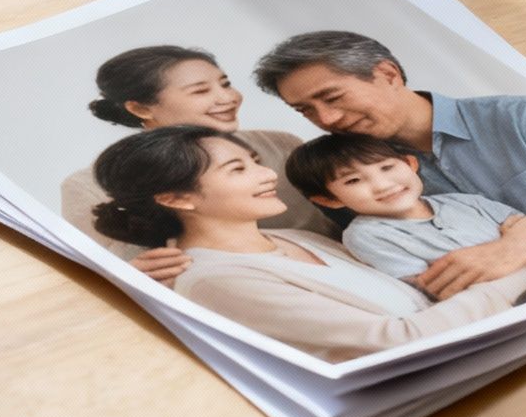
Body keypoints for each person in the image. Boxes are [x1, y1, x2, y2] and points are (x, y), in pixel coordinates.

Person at [252, 31, 526, 301]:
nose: (326, 121)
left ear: (387, 74)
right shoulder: (351, 181)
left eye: (333, 97)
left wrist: (520, 248)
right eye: (306, 110)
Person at [91, 125, 526, 361]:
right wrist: (522, 260)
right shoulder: (214, 280)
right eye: (238, 169)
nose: (267, 173)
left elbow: (431, 296)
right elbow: (397, 340)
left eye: (254, 161)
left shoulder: (296, 237)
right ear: (176, 198)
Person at [62, 45, 334, 282]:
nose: (228, 98)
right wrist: (126, 276)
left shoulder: (281, 144)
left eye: (225, 84)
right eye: (201, 91)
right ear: (141, 108)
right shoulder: (90, 186)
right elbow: (101, 274)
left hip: (336, 269)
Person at [285, 132, 526, 301]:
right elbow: (433, 286)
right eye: (354, 181)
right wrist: (520, 252)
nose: (382, 184)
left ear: (411, 165)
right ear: (328, 199)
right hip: (499, 300)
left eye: (387, 167)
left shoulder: (465, 202)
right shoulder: (366, 235)